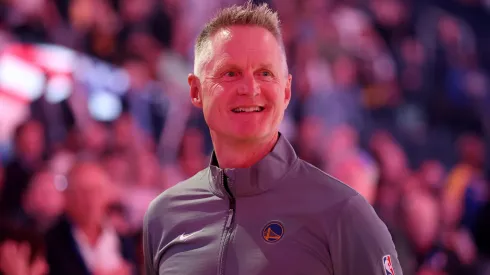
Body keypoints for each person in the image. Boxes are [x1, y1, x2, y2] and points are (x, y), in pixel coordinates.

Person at [143, 1, 403, 275]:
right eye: (229, 73)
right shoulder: (164, 216)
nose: (249, 88)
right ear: (196, 91)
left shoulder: (344, 213)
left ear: (286, 91)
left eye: (265, 73)